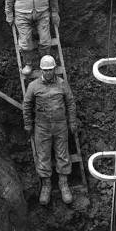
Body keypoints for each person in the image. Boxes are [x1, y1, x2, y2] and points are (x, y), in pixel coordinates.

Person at [22, 55, 77, 205]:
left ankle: (63, 184)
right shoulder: (33, 86)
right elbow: (26, 106)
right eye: (45, 70)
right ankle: (46, 186)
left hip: (60, 125)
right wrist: (28, 124)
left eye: (50, 70)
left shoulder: (62, 84)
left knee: (62, 154)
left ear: (54, 69)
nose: (48, 73)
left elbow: (70, 103)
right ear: (41, 70)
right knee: (43, 156)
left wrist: (72, 121)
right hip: (42, 126)